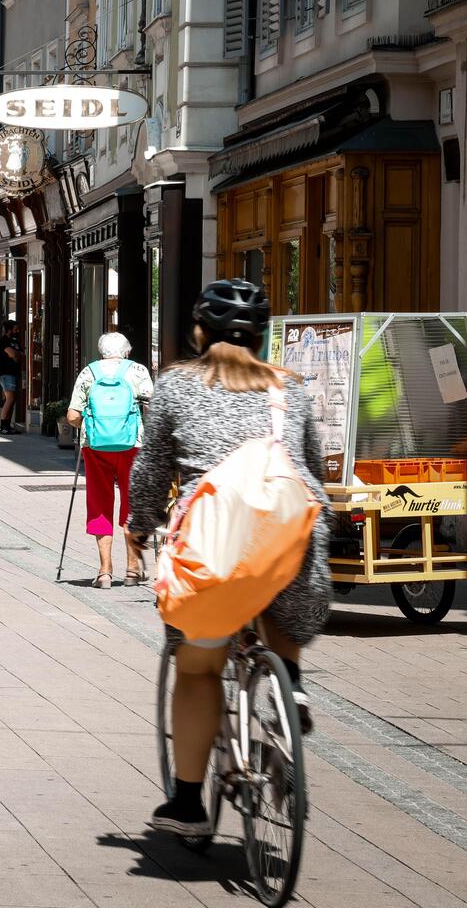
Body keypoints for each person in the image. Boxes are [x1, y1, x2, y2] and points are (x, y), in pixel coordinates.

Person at [127, 280, 331, 838]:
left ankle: (189, 806)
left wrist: (140, 528)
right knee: (278, 595)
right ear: (262, 336)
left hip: (213, 550)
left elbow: (149, 470)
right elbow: (310, 467)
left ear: (200, 332)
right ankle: (288, 686)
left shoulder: (176, 387)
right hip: (290, 546)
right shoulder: (289, 388)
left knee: (197, 671)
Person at [65, 332, 155, 587]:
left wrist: (92, 424)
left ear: (101, 351)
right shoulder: (137, 371)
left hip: (95, 447)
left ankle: (104, 571)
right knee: (133, 502)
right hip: (132, 446)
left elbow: (72, 415)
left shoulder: (88, 373)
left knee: (99, 501)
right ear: (126, 351)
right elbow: (154, 409)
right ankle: (133, 569)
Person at [0, 323, 23, 433]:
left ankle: (8, 425)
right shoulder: (4, 340)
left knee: (12, 399)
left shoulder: (15, 341)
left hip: (14, 373)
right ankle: (3, 426)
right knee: (10, 398)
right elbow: (12, 354)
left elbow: (20, 355)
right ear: (9, 330)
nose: (17, 331)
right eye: (15, 329)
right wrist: (16, 355)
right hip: (6, 373)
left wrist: (17, 355)